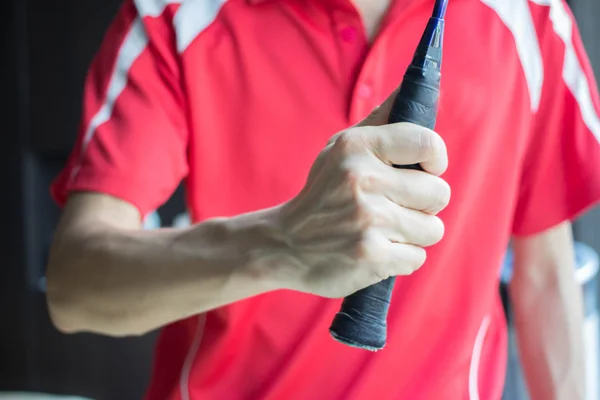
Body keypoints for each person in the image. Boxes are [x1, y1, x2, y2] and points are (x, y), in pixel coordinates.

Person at [45, 0, 600, 398]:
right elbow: (75, 287)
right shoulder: (172, 14)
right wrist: (278, 243)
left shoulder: (531, 17)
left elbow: (546, 279)